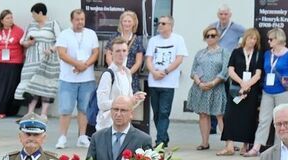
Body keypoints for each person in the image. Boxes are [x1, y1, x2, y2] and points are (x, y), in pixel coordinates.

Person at [54, 8, 98, 151]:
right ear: (72, 20)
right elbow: (62, 53)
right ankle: (62, 138)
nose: (80, 22)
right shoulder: (64, 34)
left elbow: (95, 53)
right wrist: (77, 64)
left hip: (87, 78)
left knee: (84, 109)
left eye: (82, 19)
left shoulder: (91, 34)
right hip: (68, 79)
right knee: (66, 109)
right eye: (77, 19)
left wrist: (84, 65)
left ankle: (82, 137)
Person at [251, 28, 288, 154]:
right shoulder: (268, 54)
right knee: (264, 119)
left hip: (283, 92)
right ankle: (256, 147)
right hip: (268, 91)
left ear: (279, 39)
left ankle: (280, 148)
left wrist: (285, 81)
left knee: (281, 121)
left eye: (271, 39)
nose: (269, 41)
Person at [218, 28, 262, 157]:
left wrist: (247, 85)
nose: (252, 41)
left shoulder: (258, 54)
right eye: (250, 38)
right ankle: (229, 145)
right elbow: (231, 70)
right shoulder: (236, 52)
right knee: (230, 116)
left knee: (248, 117)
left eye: (255, 39)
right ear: (245, 38)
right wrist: (242, 83)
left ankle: (245, 145)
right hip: (237, 89)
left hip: (251, 90)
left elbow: (258, 74)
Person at [145, 15, 187, 147]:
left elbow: (179, 59)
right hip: (154, 82)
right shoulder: (153, 40)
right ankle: (164, 137)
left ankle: (160, 141)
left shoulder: (178, 39)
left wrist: (166, 72)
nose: (160, 25)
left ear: (170, 26)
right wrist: (154, 72)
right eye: (159, 23)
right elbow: (149, 59)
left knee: (164, 112)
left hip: (169, 83)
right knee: (157, 113)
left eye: (163, 23)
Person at [15, 4, 61, 120]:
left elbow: (60, 40)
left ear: (40, 13)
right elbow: (22, 41)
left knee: (46, 85)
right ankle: (30, 113)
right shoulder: (31, 25)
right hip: (32, 59)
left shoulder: (53, 24)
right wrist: (28, 43)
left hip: (48, 59)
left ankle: (43, 114)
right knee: (31, 85)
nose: (33, 16)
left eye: (34, 14)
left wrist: (51, 49)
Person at [186, 26, 227, 151]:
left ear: (218, 37)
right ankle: (204, 142)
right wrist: (199, 83)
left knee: (220, 115)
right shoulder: (200, 53)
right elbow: (193, 71)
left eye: (213, 35)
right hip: (201, 88)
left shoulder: (224, 52)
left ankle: (228, 143)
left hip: (217, 88)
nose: (210, 38)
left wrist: (214, 82)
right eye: (207, 36)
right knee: (203, 115)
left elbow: (225, 70)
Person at [96, 38, 144, 132]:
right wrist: (124, 102)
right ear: (111, 53)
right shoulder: (108, 75)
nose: (121, 54)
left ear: (127, 53)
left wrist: (136, 99)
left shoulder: (127, 73)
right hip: (107, 127)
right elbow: (101, 104)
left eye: (124, 51)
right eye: (117, 51)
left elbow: (129, 104)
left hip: (123, 126)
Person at [0, 10, 25, 119]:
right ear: (2, 20)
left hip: (13, 63)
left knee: (8, 88)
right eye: (7, 18)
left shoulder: (19, 31)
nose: (10, 20)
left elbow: (23, 45)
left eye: (11, 17)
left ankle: (2, 111)